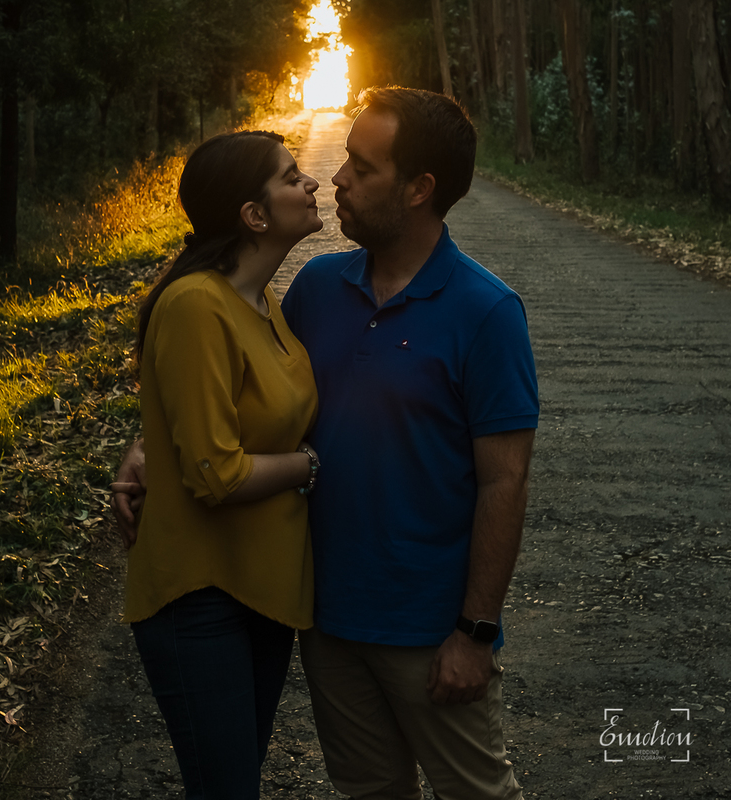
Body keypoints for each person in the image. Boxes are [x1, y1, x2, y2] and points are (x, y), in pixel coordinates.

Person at [115, 87, 538, 800]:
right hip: (324, 618)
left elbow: (505, 482)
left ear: (418, 189)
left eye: (362, 168)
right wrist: (150, 446)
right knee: (368, 790)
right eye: (340, 161)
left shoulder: (486, 312)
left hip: (426, 627)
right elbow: (239, 393)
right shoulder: (315, 287)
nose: (336, 178)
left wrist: (475, 631)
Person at [116, 129, 324, 800]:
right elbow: (216, 472)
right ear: (253, 215)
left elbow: (204, 420)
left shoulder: (263, 304)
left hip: (261, 590)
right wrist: (306, 466)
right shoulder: (195, 305)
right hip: (200, 598)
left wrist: (146, 448)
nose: (312, 184)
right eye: (293, 177)